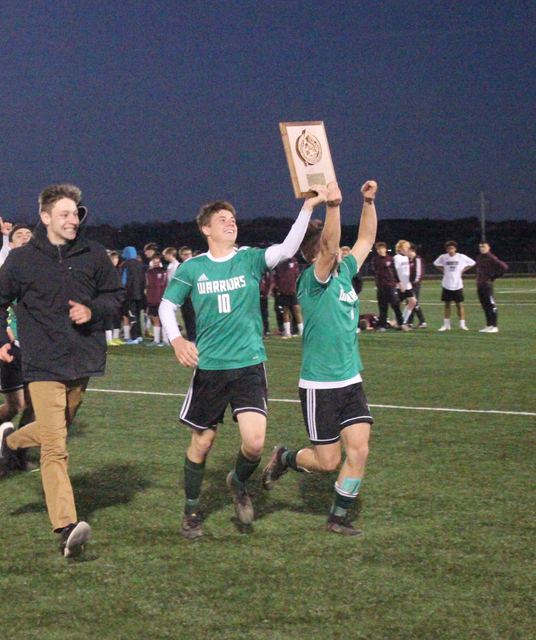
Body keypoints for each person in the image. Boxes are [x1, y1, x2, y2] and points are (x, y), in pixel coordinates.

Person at [159, 186, 330, 538]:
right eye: (222, 219)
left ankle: (237, 482)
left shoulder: (249, 259)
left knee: (254, 444)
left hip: (249, 364)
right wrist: (176, 338)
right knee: (202, 443)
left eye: (233, 219)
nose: (230, 223)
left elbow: (287, 248)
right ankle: (192, 511)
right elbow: (166, 305)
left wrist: (307, 207)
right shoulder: (192, 268)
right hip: (210, 368)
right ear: (206, 229)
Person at [0, 183, 125, 557]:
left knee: (58, 428)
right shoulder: (22, 259)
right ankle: (66, 527)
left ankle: (10, 442)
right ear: (45, 217)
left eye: (76, 213)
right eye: (64, 214)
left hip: (82, 360)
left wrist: (93, 310)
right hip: (42, 363)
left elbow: (116, 297)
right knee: (55, 446)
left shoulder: (94, 254)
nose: (72, 219)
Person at [262, 181, 377, 537]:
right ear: (314, 255)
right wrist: (333, 206)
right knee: (328, 462)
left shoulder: (344, 273)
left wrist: (368, 201)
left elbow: (366, 239)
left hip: (350, 381)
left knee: (359, 451)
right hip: (319, 386)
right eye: (332, 248)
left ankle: (337, 518)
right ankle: (285, 457)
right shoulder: (311, 281)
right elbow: (329, 247)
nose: (341, 249)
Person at [0, 224, 36, 467]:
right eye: (19, 235)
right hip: (13, 346)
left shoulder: (42, 270)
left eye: (29, 235)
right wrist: (3, 328)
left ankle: (20, 454)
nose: (25, 238)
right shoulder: (7, 271)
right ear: (10, 244)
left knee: (34, 405)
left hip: (37, 348)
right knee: (15, 406)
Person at [433, 241, 476, 331]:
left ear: (455, 249)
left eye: (452, 248)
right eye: (448, 249)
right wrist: (442, 270)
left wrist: (463, 270)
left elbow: (472, 263)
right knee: (447, 305)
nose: (450, 250)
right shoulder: (443, 257)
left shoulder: (461, 257)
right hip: (446, 284)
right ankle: (446, 325)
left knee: (459, 305)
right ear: (446, 249)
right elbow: (435, 263)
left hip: (457, 285)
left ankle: (462, 324)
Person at [475, 242, 508, 333]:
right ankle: (489, 325)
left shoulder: (491, 257)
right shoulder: (479, 257)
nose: (482, 248)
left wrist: (494, 276)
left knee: (491, 305)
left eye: (484, 247)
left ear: (488, 247)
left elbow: (504, 267)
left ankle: (494, 326)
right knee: (485, 305)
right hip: (480, 285)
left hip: (487, 285)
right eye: (481, 247)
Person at [372, 242, 404, 330]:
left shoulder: (390, 259)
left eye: (382, 248)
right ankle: (382, 325)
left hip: (391, 285)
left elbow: (394, 271)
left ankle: (401, 323)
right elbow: (375, 272)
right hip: (381, 286)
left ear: (385, 249)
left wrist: (399, 282)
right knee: (383, 306)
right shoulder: (375, 260)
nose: (380, 250)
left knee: (396, 305)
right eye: (378, 249)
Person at [119, 246, 146, 343]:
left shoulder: (126, 264)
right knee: (137, 315)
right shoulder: (140, 264)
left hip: (129, 294)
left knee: (132, 316)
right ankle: (139, 336)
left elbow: (124, 280)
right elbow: (144, 280)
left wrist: (121, 291)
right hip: (140, 294)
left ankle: (134, 338)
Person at [273, 258, 302, 338]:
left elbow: (297, 275)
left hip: (293, 290)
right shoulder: (280, 262)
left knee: (297, 310)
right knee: (285, 311)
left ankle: (302, 331)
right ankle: (288, 332)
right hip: (284, 290)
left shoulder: (294, 260)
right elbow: (278, 277)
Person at [144, 254, 169, 346]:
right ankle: (156, 340)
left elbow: (165, 285)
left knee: (163, 320)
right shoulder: (149, 272)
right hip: (152, 300)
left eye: (157, 259)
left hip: (162, 299)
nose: (155, 261)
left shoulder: (163, 272)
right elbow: (148, 286)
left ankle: (165, 340)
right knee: (155, 319)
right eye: (153, 259)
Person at [393, 240, 416, 330]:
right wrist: (399, 282)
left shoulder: (406, 258)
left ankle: (402, 321)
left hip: (407, 284)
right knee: (398, 305)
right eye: (405, 247)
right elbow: (394, 271)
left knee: (412, 302)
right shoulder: (396, 258)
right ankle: (399, 323)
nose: (407, 249)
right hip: (400, 285)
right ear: (400, 248)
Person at [177, 246, 197, 341]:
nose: (188, 256)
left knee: (195, 319)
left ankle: (196, 339)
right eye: (186, 255)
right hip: (185, 297)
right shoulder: (180, 267)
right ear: (181, 256)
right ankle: (191, 338)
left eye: (189, 254)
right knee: (187, 318)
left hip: (195, 297)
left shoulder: (196, 265)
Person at [406, 245, 427, 328]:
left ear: (412, 250)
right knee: (410, 302)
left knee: (413, 302)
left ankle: (422, 322)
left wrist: (413, 283)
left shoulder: (417, 259)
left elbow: (418, 273)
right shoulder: (409, 260)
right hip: (409, 284)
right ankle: (410, 322)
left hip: (414, 285)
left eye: (407, 250)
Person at [258, 268, 274, 338]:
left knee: (264, 314)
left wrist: (268, 292)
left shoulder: (266, 272)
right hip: (256, 293)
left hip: (263, 293)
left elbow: (270, 282)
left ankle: (266, 331)